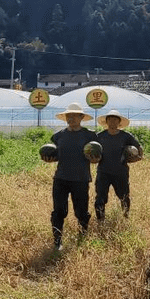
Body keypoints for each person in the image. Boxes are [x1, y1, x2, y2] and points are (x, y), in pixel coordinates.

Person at [45, 102, 98, 247]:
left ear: (81, 117)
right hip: (61, 179)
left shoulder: (90, 135)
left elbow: (96, 156)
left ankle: (82, 238)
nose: (71, 118)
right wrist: (50, 158)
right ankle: (57, 242)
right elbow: (57, 155)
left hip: (80, 179)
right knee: (59, 211)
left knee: (81, 212)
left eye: (74, 115)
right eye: (69, 115)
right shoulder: (58, 136)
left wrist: (95, 159)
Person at [93, 109, 143, 224]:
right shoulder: (99, 136)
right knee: (100, 198)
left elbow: (138, 147)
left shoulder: (126, 136)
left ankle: (126, 218)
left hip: (121, 172)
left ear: (119, 122)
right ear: (106, 122)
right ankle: (100, 220)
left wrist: (139, 157)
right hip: (103, 172)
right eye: (110, 119)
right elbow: (91, 150)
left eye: (115, 119)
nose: (112, 122)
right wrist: (92, 158)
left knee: (124, 196)